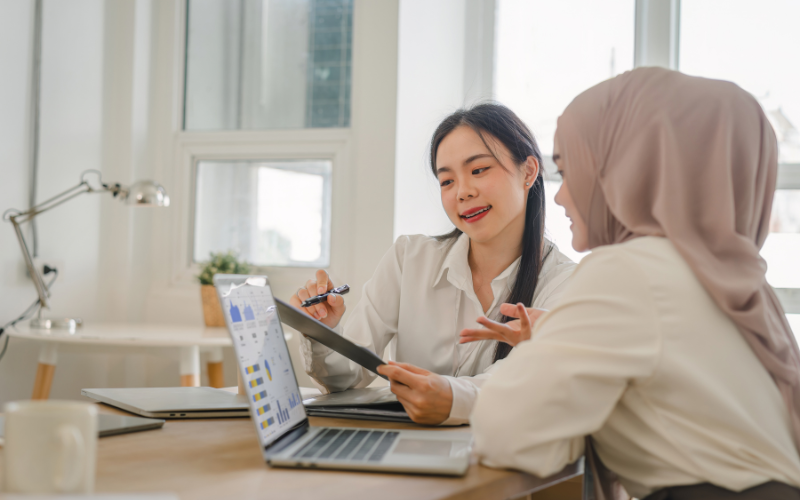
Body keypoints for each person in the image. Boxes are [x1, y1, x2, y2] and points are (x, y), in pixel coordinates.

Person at [467, 68, 800, 499]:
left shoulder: (628, 270)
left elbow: (507, 431)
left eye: (570, 171)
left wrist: (543, 356)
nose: (562, 197)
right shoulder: (729, 279)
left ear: (627, 169)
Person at [291, 103, 575, 425]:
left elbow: (521, 380)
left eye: (478, 170)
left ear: (528, 171)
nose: (463, 192)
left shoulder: (566, 282)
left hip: (503, 460)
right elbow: (345, 380)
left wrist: (450, 398)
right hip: (405, 456)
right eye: (447, 181)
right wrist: (323, 332)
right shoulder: (408, 259)